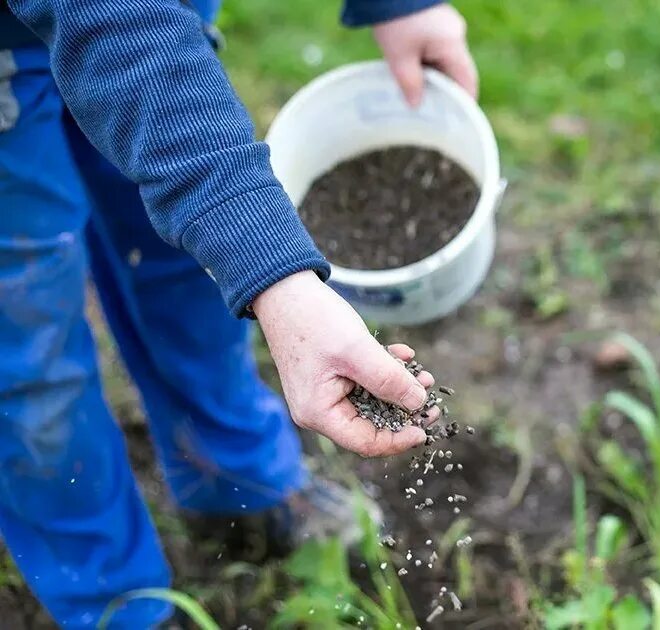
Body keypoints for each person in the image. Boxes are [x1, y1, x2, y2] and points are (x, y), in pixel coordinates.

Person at [0, 0, 477, 626]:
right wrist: (276, 274)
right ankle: (114, 599)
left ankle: (238, 484)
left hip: (159, 20)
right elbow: (116, 26)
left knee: (186, 261)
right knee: (28, 339)